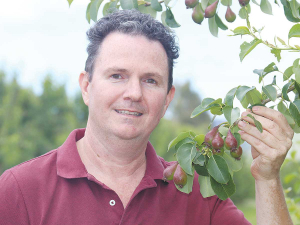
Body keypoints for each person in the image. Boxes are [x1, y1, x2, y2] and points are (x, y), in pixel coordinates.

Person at [0, 9, 294, 225]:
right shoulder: (20, 190)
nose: (134, 93)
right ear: (87, 87)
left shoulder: (197, 194)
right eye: (117, 76)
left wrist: (267, 178)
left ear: (167, 100)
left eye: (151, 80)